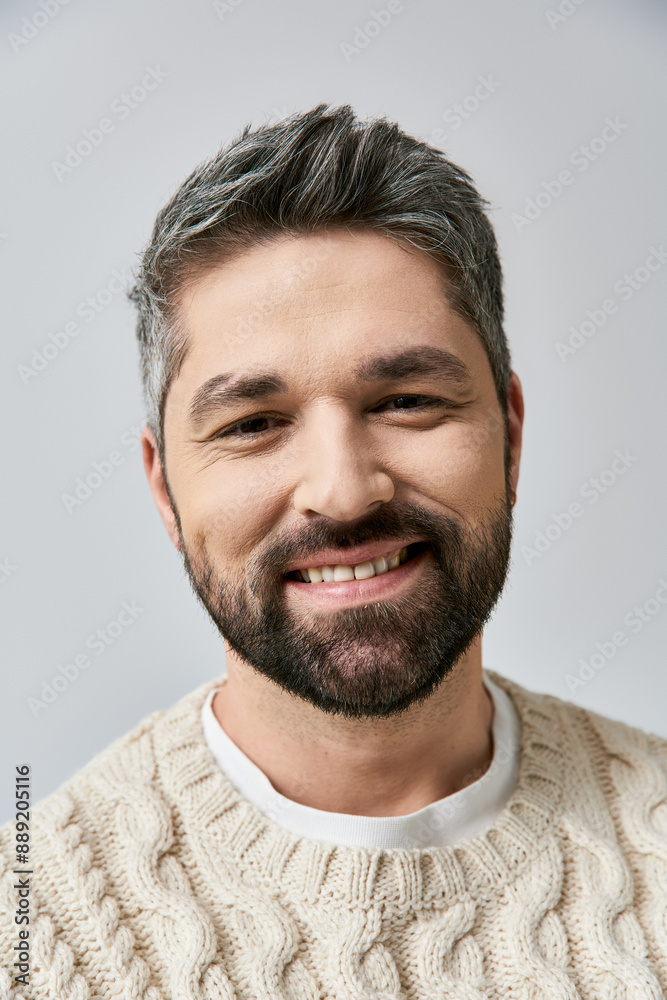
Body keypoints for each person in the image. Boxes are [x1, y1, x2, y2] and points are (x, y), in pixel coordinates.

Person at [2, 104, 666, 999]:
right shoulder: (33, 928)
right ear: (164, 488)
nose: (345, 491)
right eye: (253, 424)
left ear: (508, 432)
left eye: (404, 401)